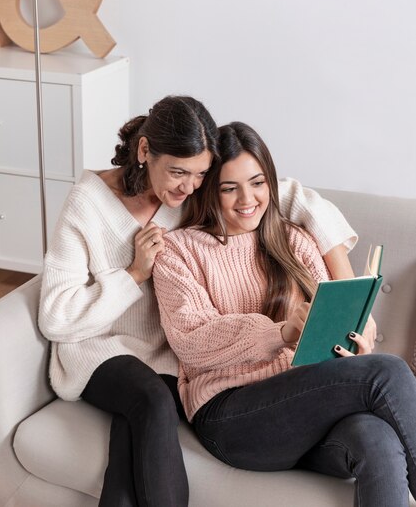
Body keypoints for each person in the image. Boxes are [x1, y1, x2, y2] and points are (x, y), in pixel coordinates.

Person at [39, 96, 358, 507]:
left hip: (168, 351)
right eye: (178, 173)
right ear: (144, 152)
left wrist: (350, 294)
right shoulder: (86, 205)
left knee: (133, 431)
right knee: (150, 400)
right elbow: (55, 317)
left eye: (200, 174)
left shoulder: (189, 189)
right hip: (98, 345)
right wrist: (133, 275)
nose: (188, 186)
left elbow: (290, 193)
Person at [153, 121, 416, 507]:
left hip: (303, 410)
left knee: (375, 436)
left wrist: (349, 350)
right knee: (388, 371)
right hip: (231, 415)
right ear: (210, 190)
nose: (248, 198)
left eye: (258, 183)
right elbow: (192, 341)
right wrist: (279, 333)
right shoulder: (179, 251)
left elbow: (326, 326)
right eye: (230, 187)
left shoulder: (293, 239)